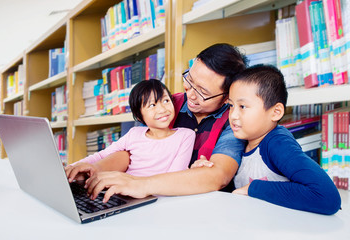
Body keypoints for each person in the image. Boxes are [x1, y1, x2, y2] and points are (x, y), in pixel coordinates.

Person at [67, 43, 247, 202]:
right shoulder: (167, 104)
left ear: (226, 98)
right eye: (189, 80)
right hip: (149, 200)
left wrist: (140, 184)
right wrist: (95, 169)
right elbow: (131, 151)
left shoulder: (233, 121)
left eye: (202, 92)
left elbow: (218, 176)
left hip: (198, 208)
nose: (190, 94)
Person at [204, 64, 341, 214]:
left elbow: (327, 197)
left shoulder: (278, 144)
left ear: (275, 112)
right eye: (231, 106)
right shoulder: (242, 140)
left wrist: (254, 188)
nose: (233, 115)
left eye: (242, 106)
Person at [66, 79, 195, 183]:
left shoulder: (186, 135)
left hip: (155, 194)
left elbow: (174, 177)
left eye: (166, 101)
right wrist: (72, 167)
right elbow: (102, 155)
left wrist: (131, 183)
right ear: (139, 116)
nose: (162, 109)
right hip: (124, 193)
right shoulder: (134, 134)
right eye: (152, 105)